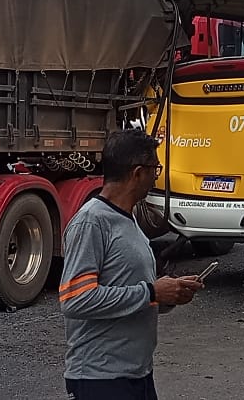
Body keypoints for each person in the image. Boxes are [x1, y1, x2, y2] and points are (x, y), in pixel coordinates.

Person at [59, 129, 205, 400]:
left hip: (137, 375)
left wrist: (169, 294)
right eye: (155, 169)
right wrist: (151, 292)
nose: (156, 176)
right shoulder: (91, 222)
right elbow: (75, 299)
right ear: (137, 173)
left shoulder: (129, 220)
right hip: (100, 380)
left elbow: (129, 290)